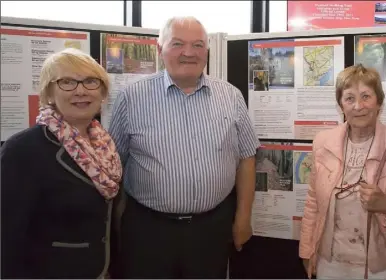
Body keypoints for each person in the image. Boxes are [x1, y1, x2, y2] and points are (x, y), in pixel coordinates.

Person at [108, 16, 260, 279]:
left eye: (198, 45)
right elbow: (113, 166)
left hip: (211, 229)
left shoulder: (231, 96)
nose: (189, 53)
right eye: (177, 44)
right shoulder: (131, 98)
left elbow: (247, 157)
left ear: (207, 52)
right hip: (148, 231)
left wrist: (243, 218)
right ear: (160, 50)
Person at [0, 48, 122, 278]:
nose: (81, 91)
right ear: (48, 93)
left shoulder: (105, 146)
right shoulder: (23, 150)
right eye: (67, 82)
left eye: (90, 81)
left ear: (103, 91)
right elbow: (6, 239)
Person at [299, 64, 386, 279]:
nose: (358, 106)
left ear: (379, 102)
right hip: (330, 263)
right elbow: (313, 202)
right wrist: (307, 251)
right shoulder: (323, 142)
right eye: (349, 98)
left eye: (366, 96)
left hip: (379, 267)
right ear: (341, 105)